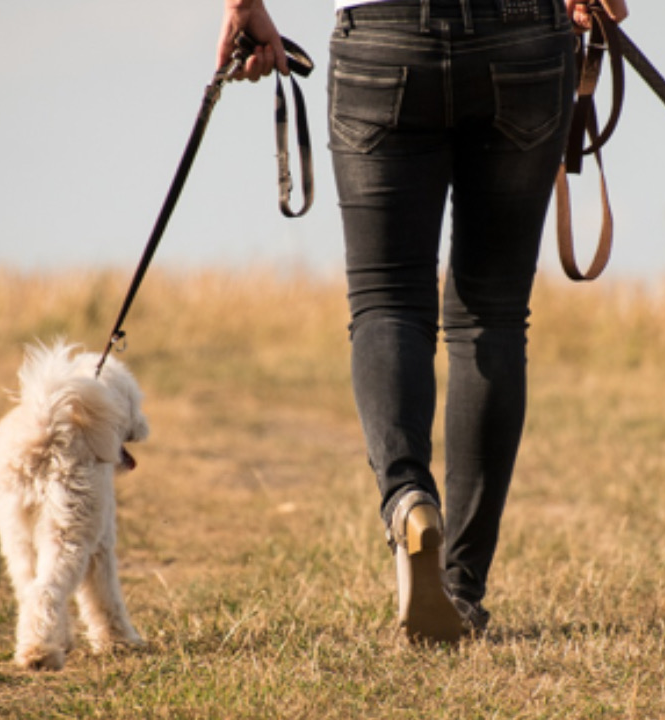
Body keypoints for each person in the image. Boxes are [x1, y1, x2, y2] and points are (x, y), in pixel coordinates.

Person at [215, 0, 629, 644]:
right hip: (522, 38)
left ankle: (408, 498)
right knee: (491, 315)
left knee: (387, 299)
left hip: (381, 37)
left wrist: (244, 7)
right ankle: (460, 588)